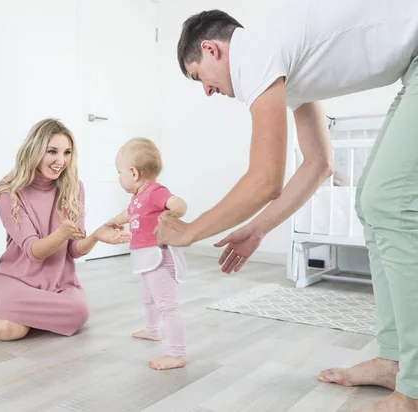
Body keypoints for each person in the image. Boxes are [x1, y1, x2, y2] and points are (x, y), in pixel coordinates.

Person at [154, 1, 418, 411]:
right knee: (371, 202)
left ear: (211, 49)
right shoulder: (282, 66)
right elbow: (318, 164)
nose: (206, 90)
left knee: (388, 201)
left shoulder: (255, 50)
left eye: (197, 76)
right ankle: (394, 360)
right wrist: (258, 229)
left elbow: (265, 179)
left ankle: (415, 387)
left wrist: (190, 231)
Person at [0, 118, 130, 341]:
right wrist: (61, 234)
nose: (61, 160)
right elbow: (33, 251)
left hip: (58, 285)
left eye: (67, 153)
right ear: (35, 150)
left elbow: (73, 251)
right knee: (7, 331)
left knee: (79, 312)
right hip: (17, 281)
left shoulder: (74, 188)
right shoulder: (9, 191)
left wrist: (96, 235)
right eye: (52, 152)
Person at [107, 137, 188, 370]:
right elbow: (129, 213)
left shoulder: (155, 192)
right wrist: (114, 221)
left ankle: (176, 353)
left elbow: (179, 204)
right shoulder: (138, 197)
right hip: (147, 260)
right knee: (147, 297)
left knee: (167, 306)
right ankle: (152, 330)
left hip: (160, 259)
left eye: (119, 172)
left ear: (132, 172)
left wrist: (172, 214)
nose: (119, 177)